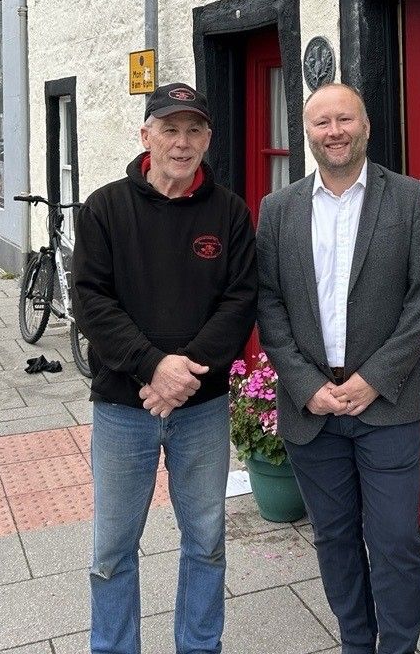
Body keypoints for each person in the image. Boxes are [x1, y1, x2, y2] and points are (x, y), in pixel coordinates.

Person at [256, 82, 420, 654]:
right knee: (335, 539)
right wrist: (306, 385)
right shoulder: (279, 208)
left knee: (394, 542)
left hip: (386, 404)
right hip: (312, 410)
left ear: (365, 127)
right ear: (306, 132)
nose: (333, 131)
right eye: (321, 122)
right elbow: (268, 302)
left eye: (344, 120)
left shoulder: (408, 198)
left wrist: (374, 378)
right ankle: (356, 643)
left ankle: (399, 647)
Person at [73, 82, 257, 654]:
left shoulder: (228, 212)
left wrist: (184, 375)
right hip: (124, 408)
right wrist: (154, 367)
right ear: (146, 135)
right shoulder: (105, 208)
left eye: (194, 129)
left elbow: (240, 300)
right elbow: (91, 301)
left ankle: (199, 648)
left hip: (200, 409)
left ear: (207, 137)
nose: (182, 142)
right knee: (112, 548)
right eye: (170, 129)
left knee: (205, 542)